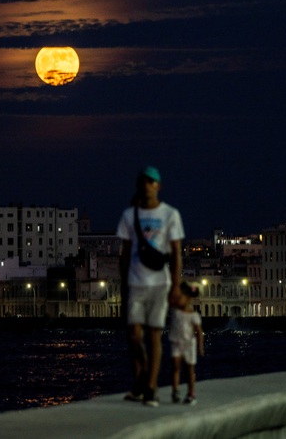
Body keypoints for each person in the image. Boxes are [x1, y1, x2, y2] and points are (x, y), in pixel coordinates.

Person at [117, 166, 185, 407]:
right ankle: (144, 378)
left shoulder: (170, 214)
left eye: (151, 181)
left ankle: (150, 388)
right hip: (135, 282)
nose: (146, 185)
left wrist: (176, 286)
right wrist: (123, 284)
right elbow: (124, 255)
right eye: (143, 181)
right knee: (134, 335)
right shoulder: (128, 216)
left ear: (158, 185)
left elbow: (177, 253)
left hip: (159, 283)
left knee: (154, 335)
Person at [169, 281, 204, 406]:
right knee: (175, 366)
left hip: (189, 344)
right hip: (176, 342)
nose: (178, 300)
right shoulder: (174, 310)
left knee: (189, 369)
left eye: (181, 298)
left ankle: (191, 393)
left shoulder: (193, 315)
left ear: (188, 299)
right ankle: (175, 391)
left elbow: (199, 332)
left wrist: (200, 346)